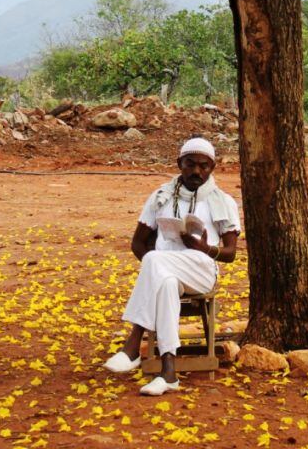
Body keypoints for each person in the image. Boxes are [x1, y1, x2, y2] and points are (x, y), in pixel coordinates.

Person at [102, 137, 240, 395]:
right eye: (190, 164)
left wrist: (204, 248)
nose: (197, 171)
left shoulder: (223, 201)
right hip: (166, 273)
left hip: (200, 270)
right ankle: (168, 373)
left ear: (212, 168)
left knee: (154, 259)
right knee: (164, 283)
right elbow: (137, 244)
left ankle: (133, 344)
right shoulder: (160, 197)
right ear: (179, 164)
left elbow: (231, 254)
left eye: (204, 166)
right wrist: (155, 273)